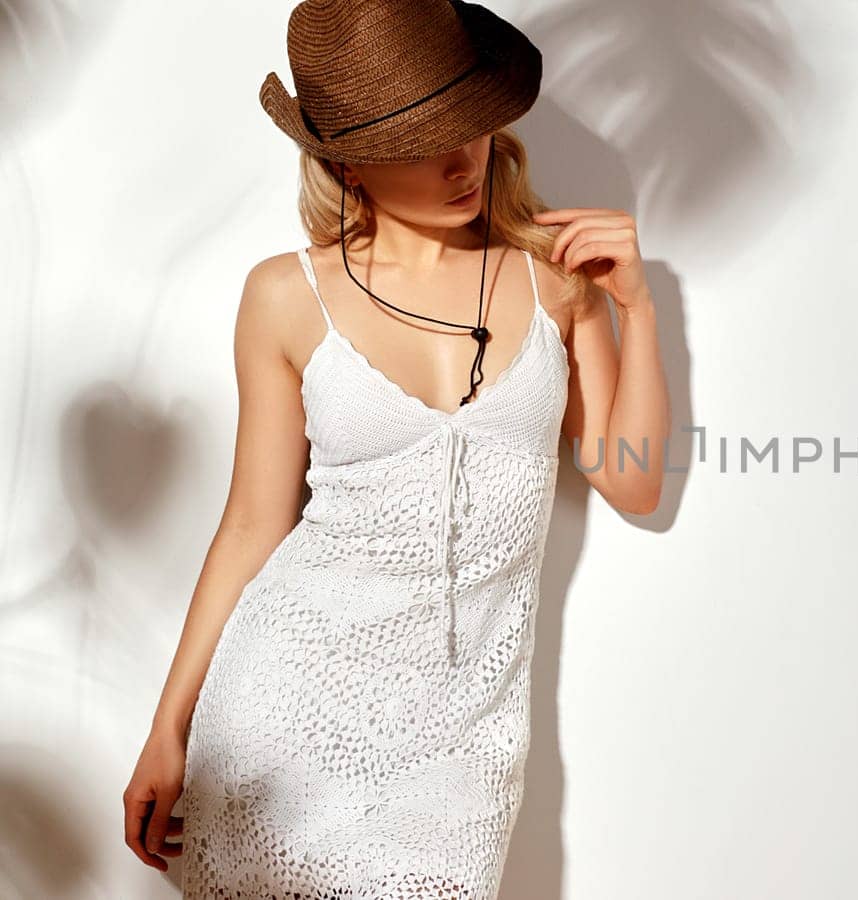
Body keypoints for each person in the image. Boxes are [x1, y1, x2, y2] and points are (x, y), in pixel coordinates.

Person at [120, 1, 669, 895]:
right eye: (418, 143)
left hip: (462, 746)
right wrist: (168, 727)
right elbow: (254, 523)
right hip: (283, 719)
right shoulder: (285, 297)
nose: (461, 161)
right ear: (347, 165)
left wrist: (637, 310)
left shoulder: (557, 282)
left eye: (466, 126)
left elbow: (635, 483)